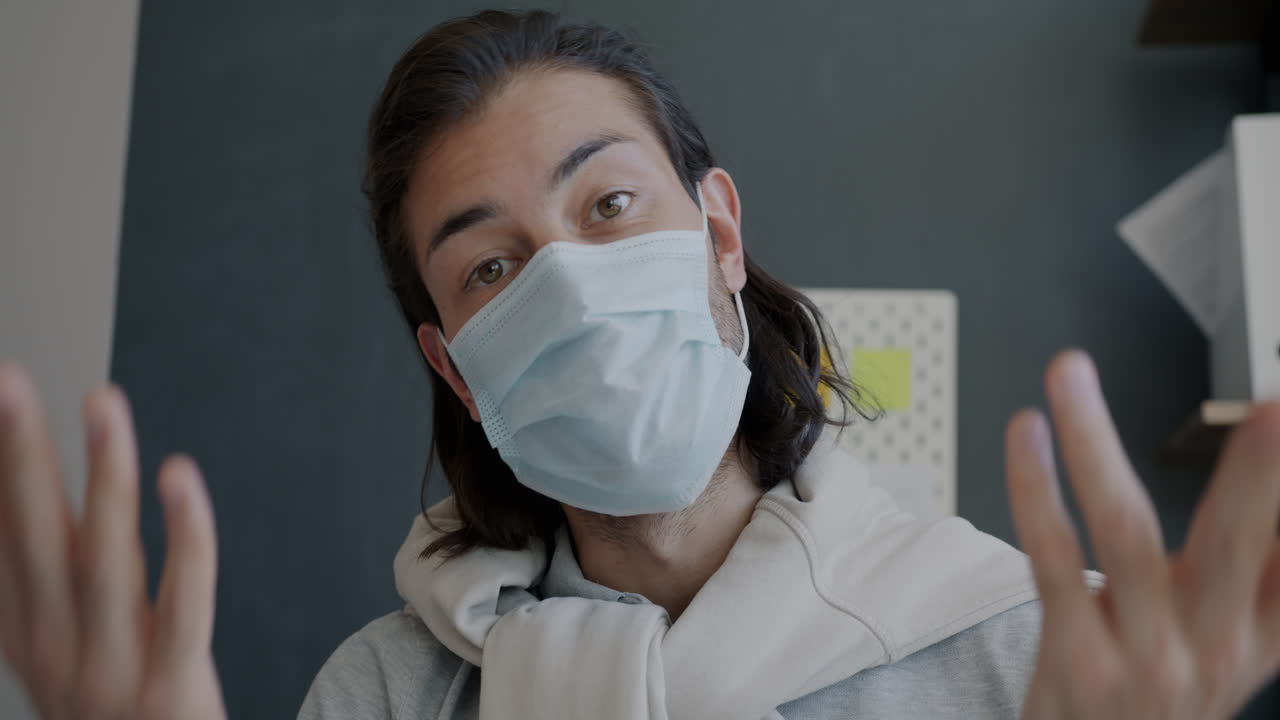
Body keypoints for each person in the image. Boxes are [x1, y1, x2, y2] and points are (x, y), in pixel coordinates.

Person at [2, 8, 1279, 719]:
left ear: (717, 234)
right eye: (489, 266)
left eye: (606, 208)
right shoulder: (392, 693)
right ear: (456, 370)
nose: (561, 276)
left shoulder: (1050, 653)